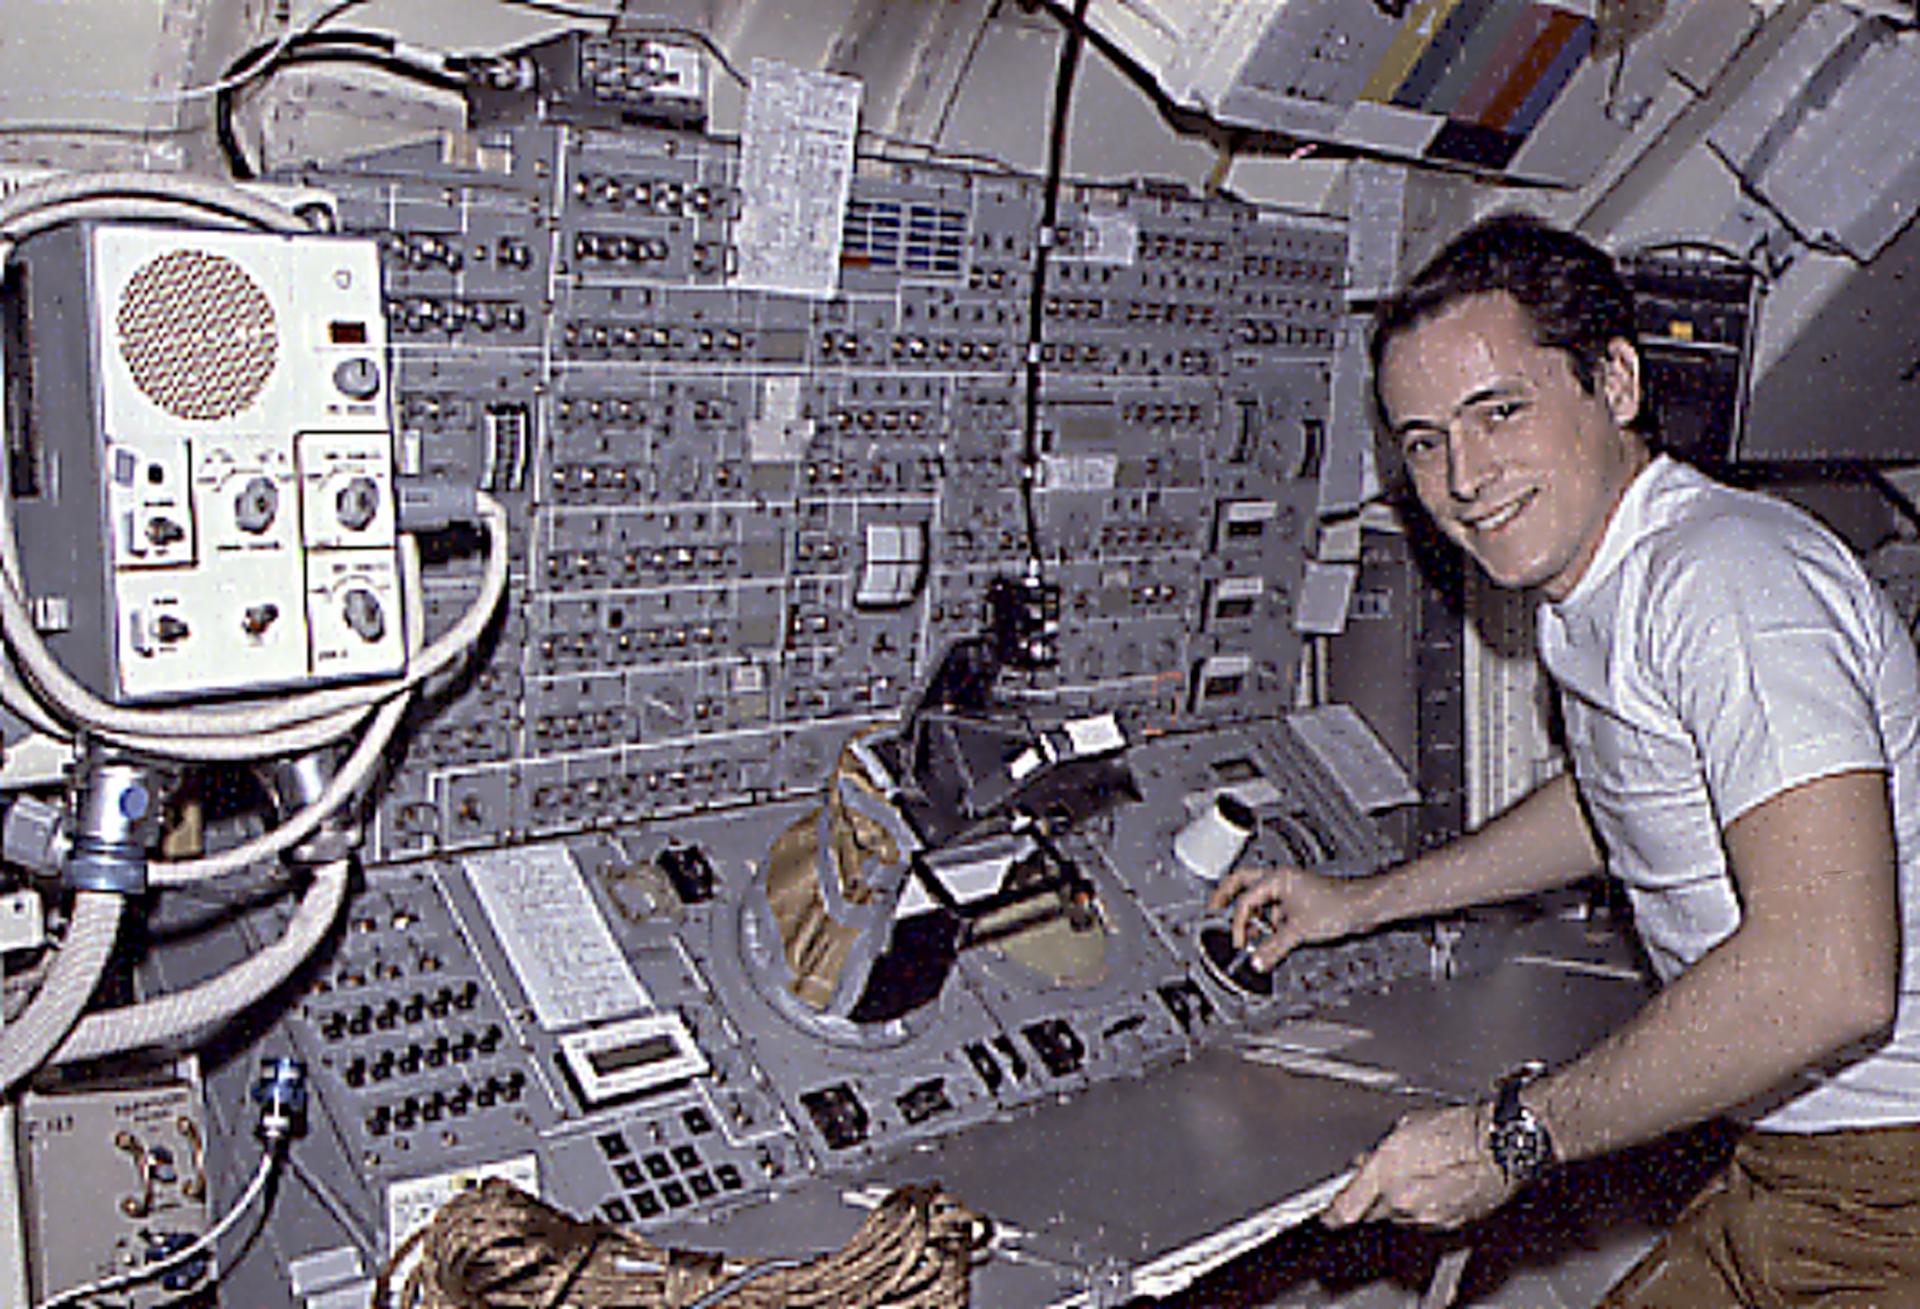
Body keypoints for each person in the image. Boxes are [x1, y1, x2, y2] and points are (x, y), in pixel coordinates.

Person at [1212, 212, 1920, 1305]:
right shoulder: (1605, 579)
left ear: (1617, 382)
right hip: (1801, 1155)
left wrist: (1507, 1141)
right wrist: (1363, 902)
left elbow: (1830, 977)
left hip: (1884, 1178)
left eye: (1500, 411)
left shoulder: (1726, 584)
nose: (1466, 476)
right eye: (1425, 441)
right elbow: (1619, 794)